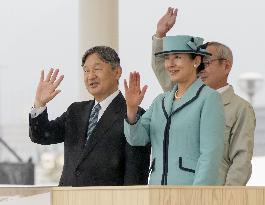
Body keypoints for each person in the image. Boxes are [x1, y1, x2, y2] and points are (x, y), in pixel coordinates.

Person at [152, 7, 256, 185]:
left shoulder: (240, 108)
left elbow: (241, 159)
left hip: (214, 193)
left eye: (206, 63)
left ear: (226, 66)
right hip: (177, 189)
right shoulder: (181, 95)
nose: (200, 69)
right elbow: (164, 69)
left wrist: (228, 198)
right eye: (198, 63)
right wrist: (160, 35)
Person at [29, 46, 150, 186]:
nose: (90, 76)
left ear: (117, 72)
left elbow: (135, 174)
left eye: (97, 69)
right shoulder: (75, 111)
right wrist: (39, 103)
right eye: (86, 70)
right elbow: (41, 136)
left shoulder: (133, 115)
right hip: (69, 199)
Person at [124, 35, 225, 185]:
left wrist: (198, 196)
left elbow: (210, 155)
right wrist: (132, 110)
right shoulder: (160, 101)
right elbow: (136, 139)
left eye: (177, 57)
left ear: (196, 61)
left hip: (189, 191)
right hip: (157, 190)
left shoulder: (209, 98)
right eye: (166, 58)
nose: (170, 64)